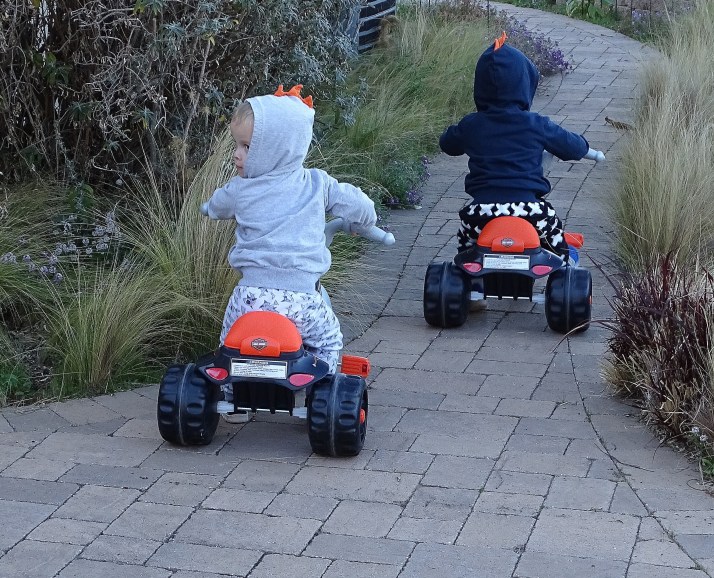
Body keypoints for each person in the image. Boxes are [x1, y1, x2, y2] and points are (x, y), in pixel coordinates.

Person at [202, 84, 377, 383]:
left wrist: (207, 208)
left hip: (248, 299)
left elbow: (217, 205)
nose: (236, 155)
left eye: (246, 147)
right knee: (329, 341)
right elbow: (358, 205)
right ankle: (322, 389)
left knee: (229, 348)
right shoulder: (317, 183)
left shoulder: (241, 189)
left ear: (274, 148)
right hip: (301, 301)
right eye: (237, 145)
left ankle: (228, 392)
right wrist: (367, 220)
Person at [439, 32, 599, 261]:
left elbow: (448, 145)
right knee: (560, 249)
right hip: (530, 211)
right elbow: (570, 146)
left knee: (464, 253)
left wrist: (452, 135)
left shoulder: (472, 125)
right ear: (525, 83)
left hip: (481, 213)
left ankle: (464, 273)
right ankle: (566, 267)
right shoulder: (536, 124)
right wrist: (586, 148)